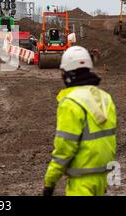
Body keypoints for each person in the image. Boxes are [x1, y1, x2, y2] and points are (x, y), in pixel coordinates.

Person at [43, 46, 117, 196]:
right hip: (102, 177)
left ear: (68, 74)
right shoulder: (105, 98)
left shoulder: (70, 102)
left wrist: (50, 182)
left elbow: (65, 147)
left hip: (81, 181)